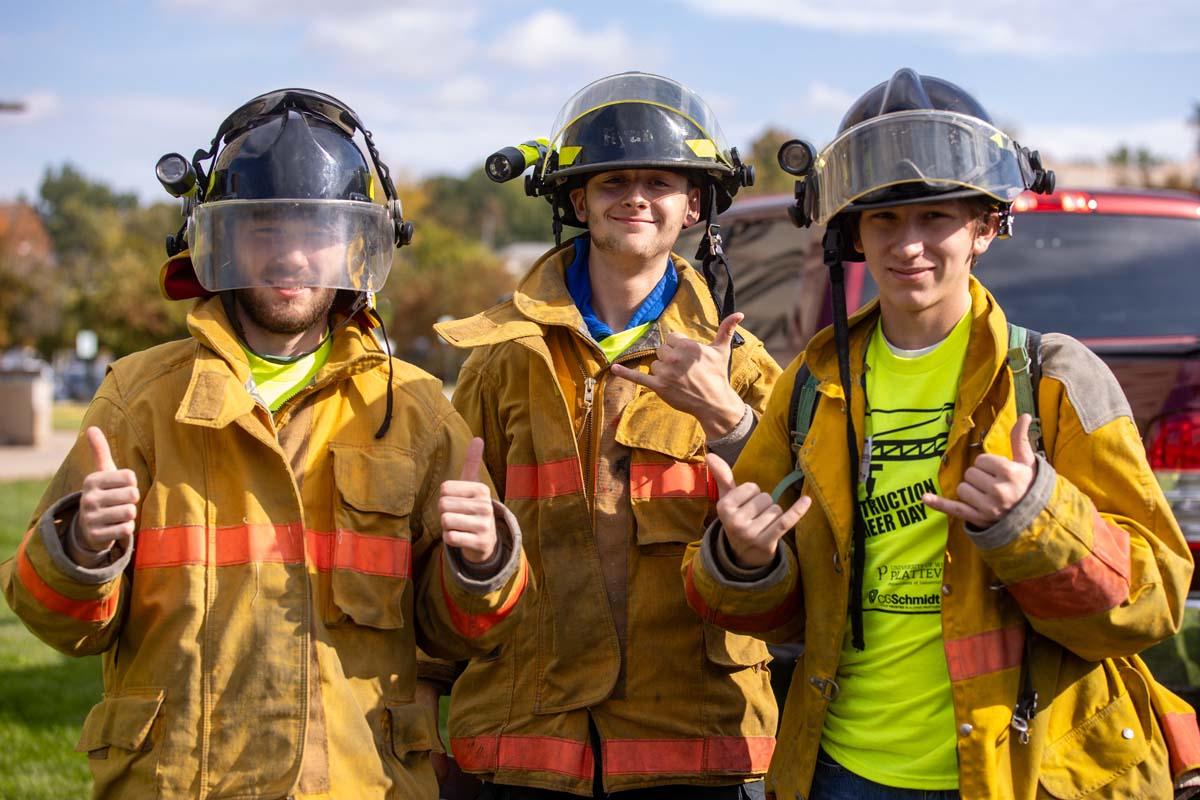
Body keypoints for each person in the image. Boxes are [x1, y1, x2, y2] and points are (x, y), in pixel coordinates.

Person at [683, 68, 1200, 799]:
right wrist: (740, 558)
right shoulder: (810, 385)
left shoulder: (1054, 378)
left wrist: (1036, 520)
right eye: (885, 220)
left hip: (1014, 774)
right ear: (853, 234)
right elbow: (780, 615)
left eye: (936, 218)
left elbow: (1153, 601)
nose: (909, 245)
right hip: (840, 771)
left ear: (988, 227)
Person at [0, 88, 529, 799]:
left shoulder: (414, 409)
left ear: (355, 246)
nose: (291, 256)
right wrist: (81, 549)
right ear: (219, 240)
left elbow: (466, 634)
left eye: (315, 232)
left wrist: (481, 564)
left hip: (358, 784)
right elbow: (50, 618)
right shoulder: (140, 396)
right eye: (265, 231)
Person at [434, 71, 780, 798]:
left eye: (659, 181)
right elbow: (446, 564)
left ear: (693, 206)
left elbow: (803, 536)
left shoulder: (740, 367)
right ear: (577, 199)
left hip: (695, 744)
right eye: (613, 179)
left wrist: (730, 423)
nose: (635, 197)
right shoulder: (502, 360)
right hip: (525, 742)